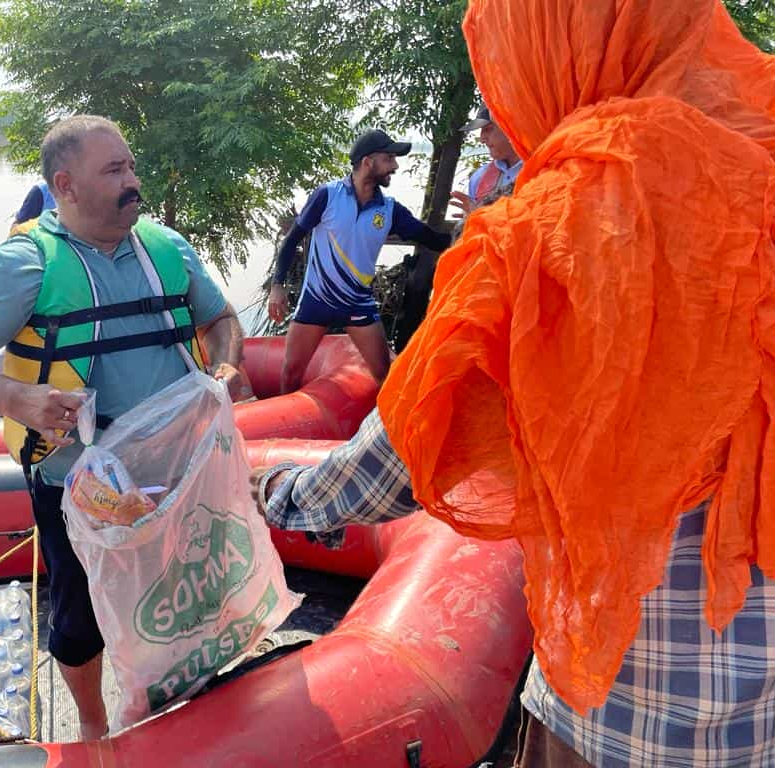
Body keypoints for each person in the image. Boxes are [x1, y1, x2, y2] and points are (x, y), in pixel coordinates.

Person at [254, 0, 775, 765]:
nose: (502, 109)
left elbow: (414, 445)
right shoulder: (757, 160)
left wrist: (285, 498)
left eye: (504, 79)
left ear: (558, 57)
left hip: (627, 701)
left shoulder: (559, 219)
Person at [0, 114, 245, 741]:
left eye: (131, 166)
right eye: (114, 171)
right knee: (81, 614)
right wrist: (17, 398)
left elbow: (221, 317)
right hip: (81, 485)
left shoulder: (167, 248)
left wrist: (227, 361)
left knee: (193, 591)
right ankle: (92, 725)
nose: (133, 182)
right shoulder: (23, 264)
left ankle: (184, 704)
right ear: (65, 185)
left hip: (179, 472)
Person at [266, 129, 452, 393]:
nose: (395, 166)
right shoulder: (327, 195)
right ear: (368, 162)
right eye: (389, 159)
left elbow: (433, 240)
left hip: (358, 304)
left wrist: (474, 225)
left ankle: (389, 431)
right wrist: (278, 284)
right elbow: (292, 239)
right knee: (290, 373)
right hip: (315, 302)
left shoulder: (390, 210)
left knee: (386, 374)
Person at [449, 104, 523, 220]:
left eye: (488, 129)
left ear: (510, 127)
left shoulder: (544, 172)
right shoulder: (478, 178)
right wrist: (468, 223)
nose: (482, 138)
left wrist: (482, 219)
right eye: (481, 131)